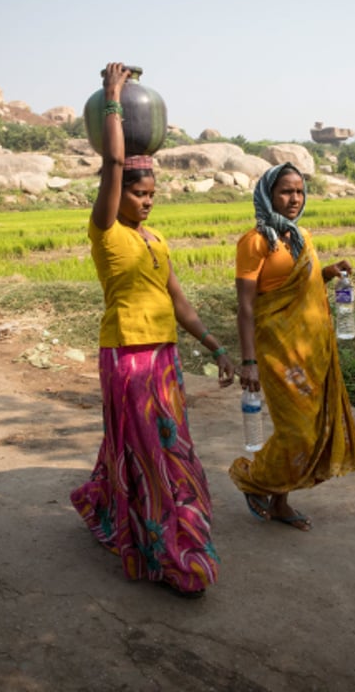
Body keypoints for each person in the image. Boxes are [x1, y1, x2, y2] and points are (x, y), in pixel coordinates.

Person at [70, 62, 236, 598]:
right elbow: (114, 159)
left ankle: (106, 503)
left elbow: (181, 304)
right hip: (128, 357)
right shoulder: (105, 231)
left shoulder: (156, 241)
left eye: (151, 193)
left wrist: (217, 348)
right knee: (156, 454)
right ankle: (168, 549)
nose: (146, 199)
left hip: (163, 358)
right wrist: (113, 95)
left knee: (158, 446)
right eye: (138, 193)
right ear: (117, 194)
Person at [230, 162, 355, 531]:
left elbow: (301, 285)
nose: (294, 198)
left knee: (312, 427)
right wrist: (249, 362)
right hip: (276, 353)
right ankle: (252, 478)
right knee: (296, 432)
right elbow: (246, 305)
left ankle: (280, 501)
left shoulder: (301, 237)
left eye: (300, 191)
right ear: (268, 194)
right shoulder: (254, 242)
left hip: (312, 350)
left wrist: (328, 272)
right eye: (286, 191)